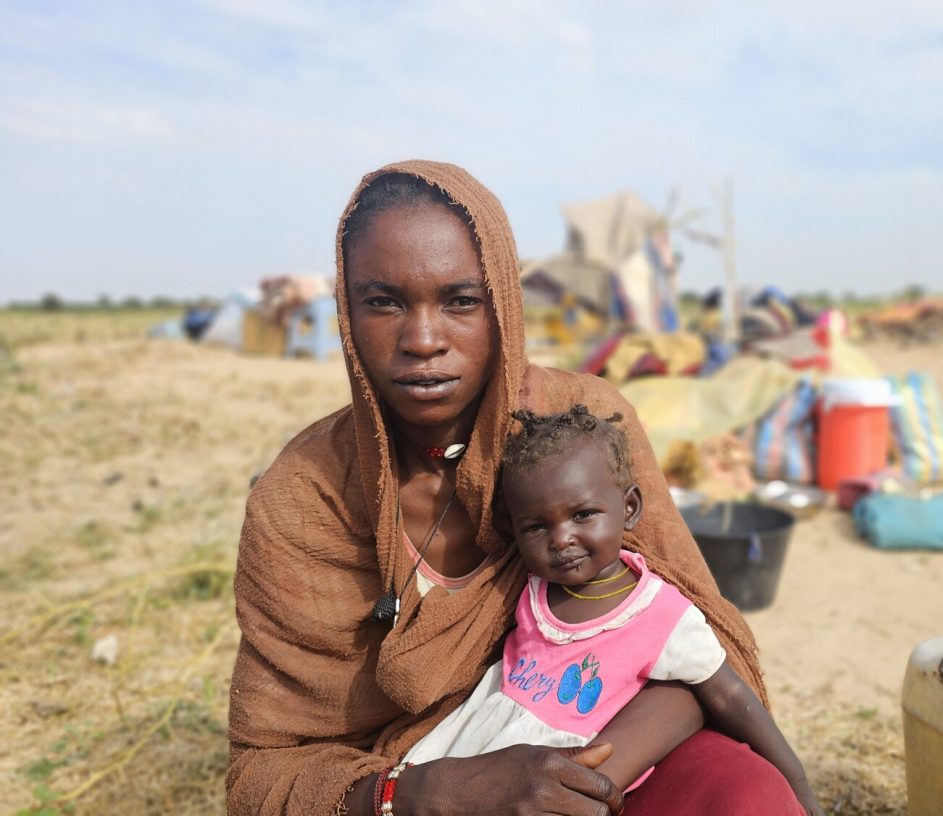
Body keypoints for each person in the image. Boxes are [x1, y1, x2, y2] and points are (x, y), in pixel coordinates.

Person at [227, 160, 805, 815]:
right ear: (346, 311)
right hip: (406, 793)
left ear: (503, 302)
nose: (422, 340)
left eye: (461, 300)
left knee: (743, 794)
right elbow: (264, 775)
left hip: (605, 758)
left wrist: (580, 780)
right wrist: (425, 793)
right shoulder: (302, 500)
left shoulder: (582, 428)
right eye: (383, 301)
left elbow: (698, 654)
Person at [401, 405, 821, 815]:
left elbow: (728, 694)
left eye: (583, 515)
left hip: (558, 780)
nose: (561, 539)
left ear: (631, 508)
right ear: (514, 530)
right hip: (484, 746)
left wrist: (798, 785)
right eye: (537, 526)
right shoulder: (531, 587)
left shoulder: (660, 614)